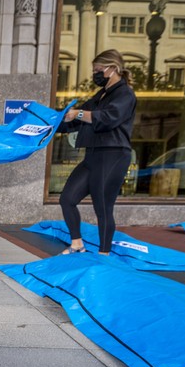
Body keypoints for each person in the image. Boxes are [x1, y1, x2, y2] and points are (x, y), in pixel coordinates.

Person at [57, 49, 136, 256]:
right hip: (93, 155)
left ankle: (104, 253)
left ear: (113, 69)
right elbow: (74, 120)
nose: (96, 74)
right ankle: (77, 244)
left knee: (102, 207)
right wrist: (51, 123)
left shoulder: (125, 94)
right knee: (67, 198)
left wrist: (80, 113)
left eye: (98, 70)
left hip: (113, 154)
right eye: (94, 70)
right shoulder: (100, 95)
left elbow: (108, 117)